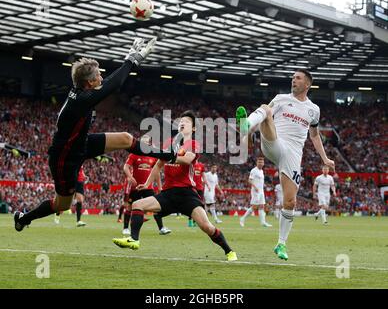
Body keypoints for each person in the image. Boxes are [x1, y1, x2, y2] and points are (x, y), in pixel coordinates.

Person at [14, 37, 181, 232]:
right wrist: (133, 60)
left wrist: (128, 58)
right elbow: (113, 84)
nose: (102, 78)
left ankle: (168, 154)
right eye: (99, 76)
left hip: (80, 144)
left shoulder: (82, 93)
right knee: (62, 205)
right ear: (89, 83)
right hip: (65, 158)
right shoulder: (82, 99)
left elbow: (108, 82)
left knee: (126, 139)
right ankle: (24, 218)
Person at [236, 68, 335, 260]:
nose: (294, 80)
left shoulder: (314, 110)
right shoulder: (281, 98)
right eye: (292, 78)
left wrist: (324, 158)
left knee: (290, 201)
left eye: (298, 78)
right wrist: (248, 132)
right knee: (266, 109)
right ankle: (246, 124)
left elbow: (314, 136)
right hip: (275, 143)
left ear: (307, 84)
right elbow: (265, 118)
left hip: (293, 155)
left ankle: (281, 244)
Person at [112, 111, 237, 262]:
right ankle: (134, 239)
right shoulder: (168, 143)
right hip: (168, 194)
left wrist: (170, 155)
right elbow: (158, 165)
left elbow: (187, 159)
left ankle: (229, 251)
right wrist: (146, 184)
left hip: (187, 194)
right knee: (137, 205)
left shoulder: (193, 144)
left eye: (187, 121)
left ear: (193, 129)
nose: (182, 123)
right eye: (181, 121)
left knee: (207, 227)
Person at [121, 135, 171, 235]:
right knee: (130, 207)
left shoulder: (152, 156)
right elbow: (126, 167)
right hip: (136, 187)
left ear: (149, 144)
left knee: (156, 207)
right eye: (142, 142)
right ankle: (126, 228)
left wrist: (160, 186)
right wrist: (130, 177)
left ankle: (161, 228)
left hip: (148, 187)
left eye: (146, 142)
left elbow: (156, 172)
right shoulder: (134, 155)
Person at [239, 157, 272, 227]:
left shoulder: (262, 171)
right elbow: (249, 180)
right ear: (257, 163)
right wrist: (255, 187)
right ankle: (242, 218)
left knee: (262, 206)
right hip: (255, 191)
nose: (260, 163)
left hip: (261, 191)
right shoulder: (254, 170)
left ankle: (263, 222)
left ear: (263, 163)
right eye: (259, 162)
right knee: (254, 207)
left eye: (262, 162)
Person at [188, 159, 208, 227]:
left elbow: (203, 176)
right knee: (191, 204)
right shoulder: (190, 164)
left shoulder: (201, 165)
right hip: (192, 187)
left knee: (199, 204)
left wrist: (206, 183)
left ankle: (195, 221)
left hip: (199, 188)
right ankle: (190, 220)